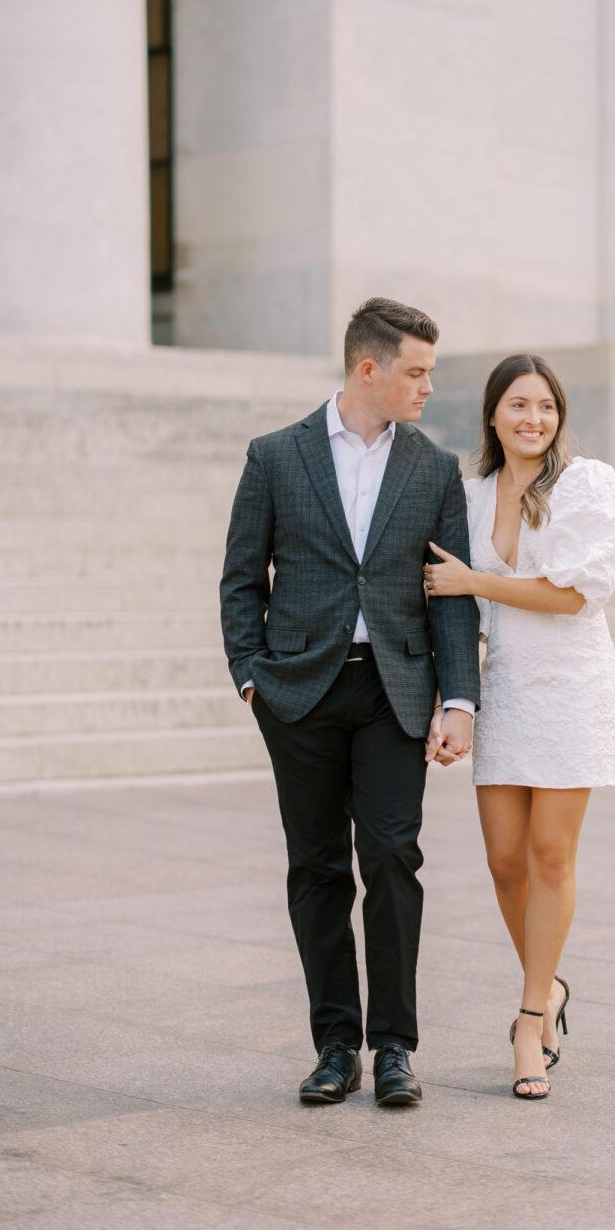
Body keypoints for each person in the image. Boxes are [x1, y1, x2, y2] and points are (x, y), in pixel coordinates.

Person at [220, 298, 480, 1108]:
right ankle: (335, 1045)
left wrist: (459, 698)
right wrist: (251, 676)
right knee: (318, 866)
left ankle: (395, 1046)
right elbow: (240, 578)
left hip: (394, 689)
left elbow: (447, 594)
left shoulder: (433, 469)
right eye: (416, 371)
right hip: (298, 690)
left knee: (393, 857)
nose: (427, 387)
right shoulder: (275, 456)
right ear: (368, 368)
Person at [423, 353, 615, 1099]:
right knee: (504, 861)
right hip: (503, 684)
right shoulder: (471, 494)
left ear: (560, 414)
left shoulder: (589, 484)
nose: (533, 419)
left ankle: (528, 1017)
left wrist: (475, 580)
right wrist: (451, 701)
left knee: (548, 856)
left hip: (570, 685)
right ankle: (553, 987)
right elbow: (447, 601)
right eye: (518, 405)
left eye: (545, 406)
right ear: (492, 414)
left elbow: (577, 594)